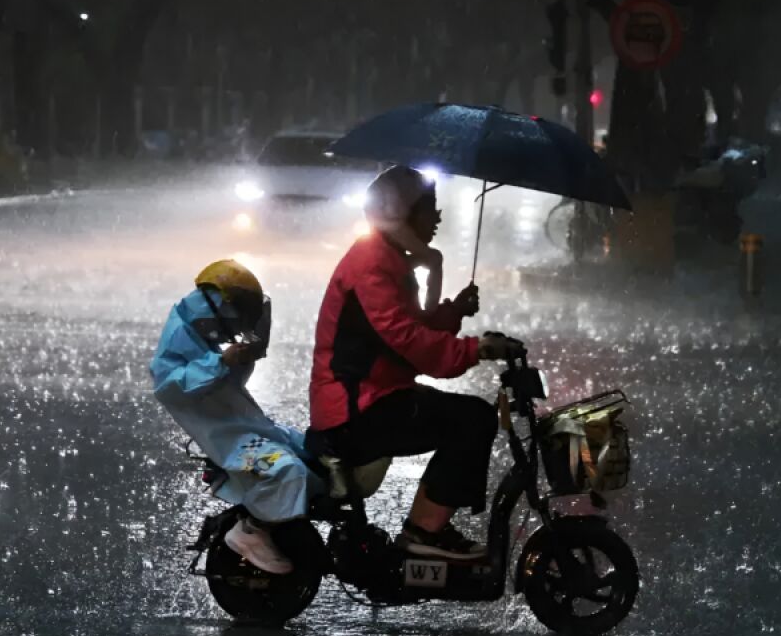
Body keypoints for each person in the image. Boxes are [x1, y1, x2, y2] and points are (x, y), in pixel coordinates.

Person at [308, 165, 511, 560]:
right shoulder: (371, 265)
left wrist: (455, 312)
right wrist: (476, 349)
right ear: (400, 212)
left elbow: (411, 328)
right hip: (355, 409)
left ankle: (428, 526)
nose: (437, 218)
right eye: (428, 207)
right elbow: (405, 340)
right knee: (472, 419)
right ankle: (424, 531)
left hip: (376, 396)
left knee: (469, 416)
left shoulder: (389, 260)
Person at [150, 260, 319, 575]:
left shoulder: (202, 337)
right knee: (287, 470)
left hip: (247, 429)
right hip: (230, 442)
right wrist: (220, 361)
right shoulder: (182, 343)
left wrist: (236, 358)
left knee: (313, 452)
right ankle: (252, 531)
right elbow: (169, 385)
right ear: (221, 307)